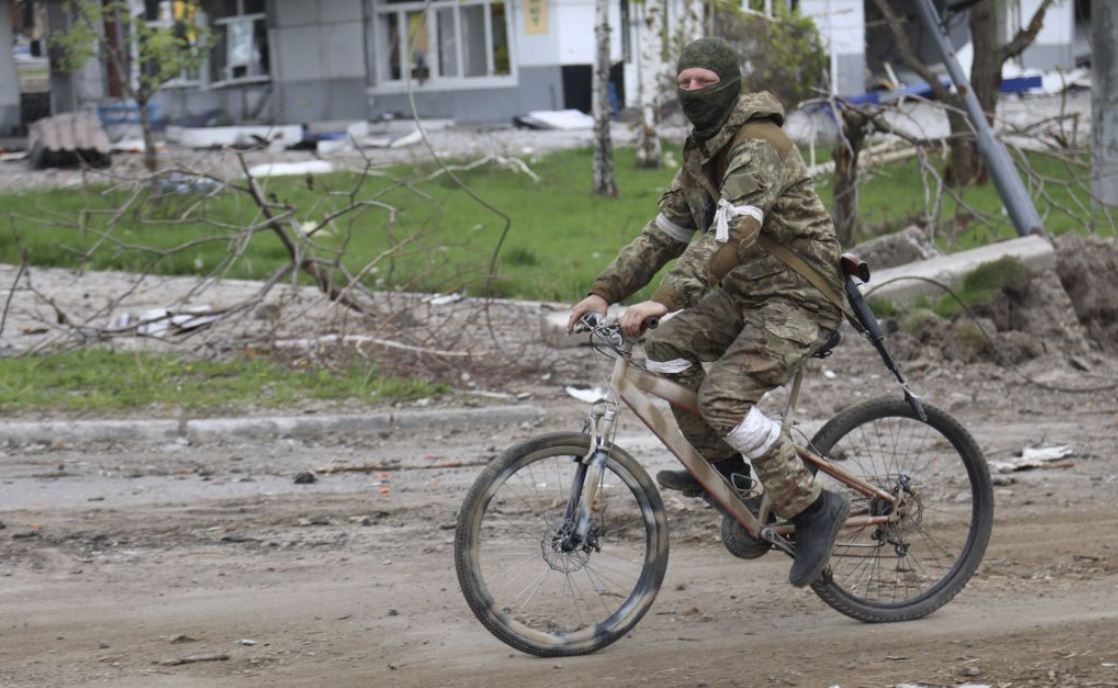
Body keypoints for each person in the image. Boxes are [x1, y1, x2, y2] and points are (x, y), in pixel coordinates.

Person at [567, 37, 849, 588]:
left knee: (722, 396)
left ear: (729, 86)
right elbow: (665, 234)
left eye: (704, 82)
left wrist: (663, 300)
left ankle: (814, 510)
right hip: (747, 295)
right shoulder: (702, 152)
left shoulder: (757, 145)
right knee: (666, 350)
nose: (692, 91)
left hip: (800, 296)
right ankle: (729, 473)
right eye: (684, 82)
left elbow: (733, 236)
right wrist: (605, 290)